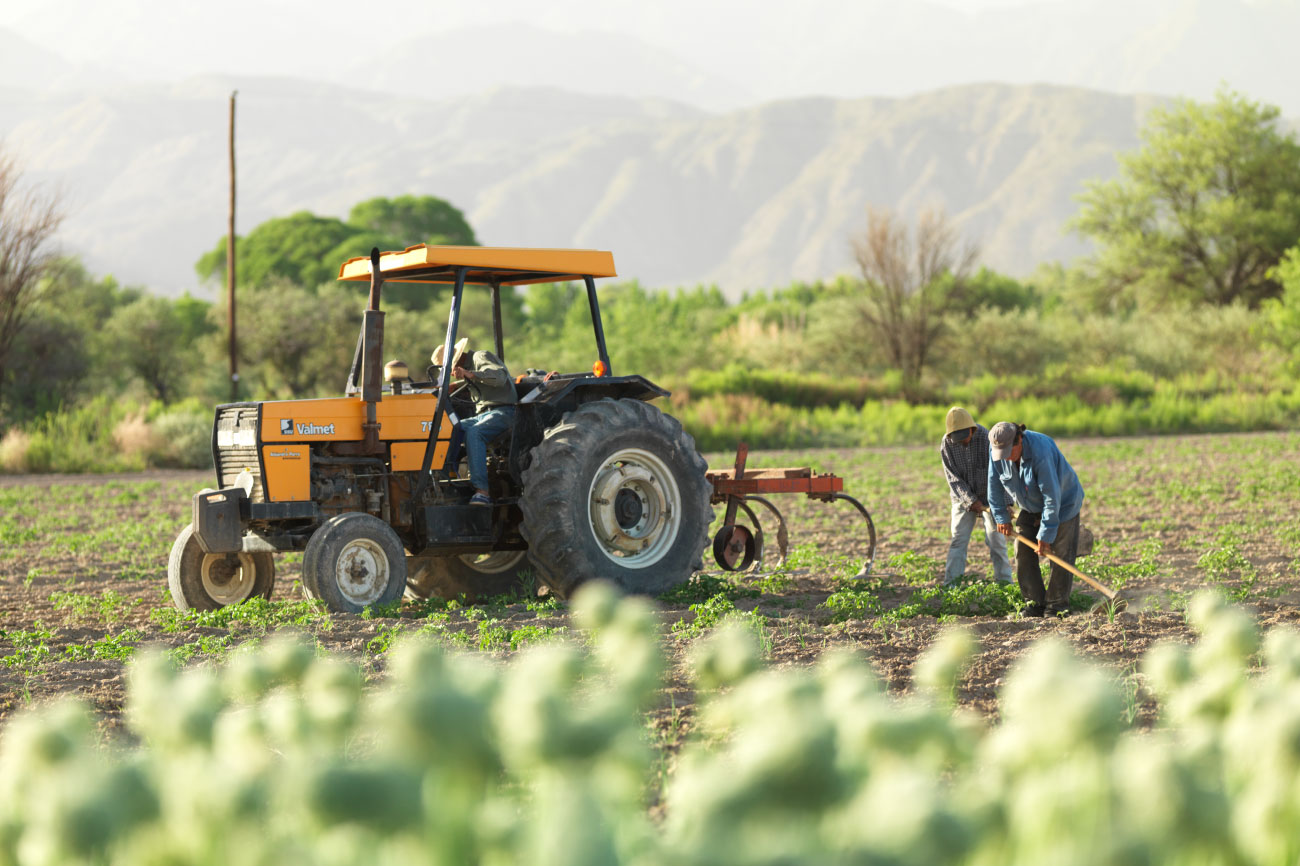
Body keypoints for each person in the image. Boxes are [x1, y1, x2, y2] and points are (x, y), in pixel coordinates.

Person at [986, 421, 1085, 618]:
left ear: (1019, 440)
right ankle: (1034, 603)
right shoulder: (996, 449)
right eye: (1000, 453)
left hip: (1063, 503)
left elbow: (1051, 498)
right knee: (1022, 550)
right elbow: (994, 485)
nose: (1004, 458)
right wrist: (1001, 516)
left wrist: (1046, 535)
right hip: (1029, 505)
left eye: (1008, 451)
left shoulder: (1041, 453)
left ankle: (1056, 606)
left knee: (1061, 553)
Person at [431, 338, 517, 506]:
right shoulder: (468, 367)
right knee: (448, 428)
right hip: (483, 414)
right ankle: (445, 479)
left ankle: (482, 492)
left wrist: (470, 374)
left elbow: (499, 377)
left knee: (474, 432)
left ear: (458, 359)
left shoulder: (480, 356)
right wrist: (456, 385)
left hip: (504, 411)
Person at [939, 407, 1013, 585]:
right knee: (958, 540)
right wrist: (971, 501)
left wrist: (1006, 504)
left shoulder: (986, 438)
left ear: (972, 429)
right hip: (962, 498)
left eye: (965, 436)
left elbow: (998, 473)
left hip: (991, 496)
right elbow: (953, 478)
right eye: (957, 437)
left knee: (996, 541)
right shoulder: (947, 444)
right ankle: (951, 586)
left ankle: (1004, 584)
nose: (962, 441)